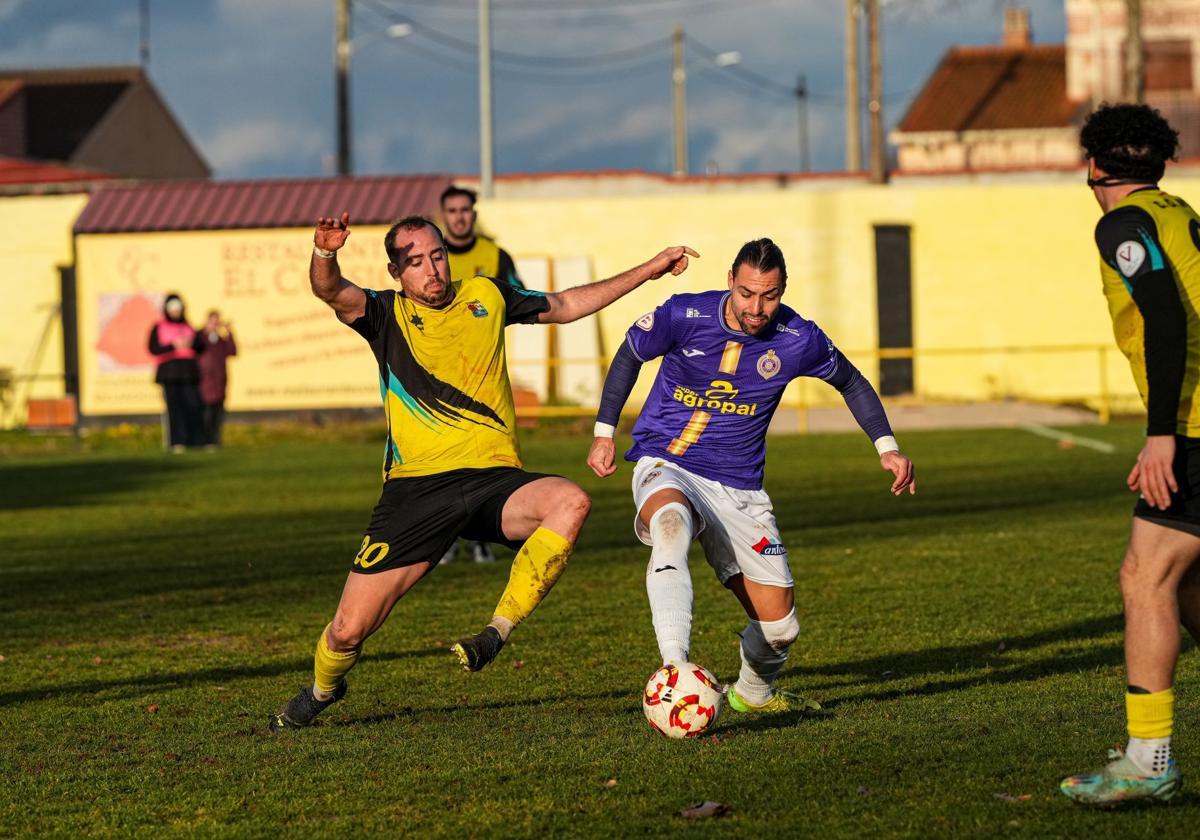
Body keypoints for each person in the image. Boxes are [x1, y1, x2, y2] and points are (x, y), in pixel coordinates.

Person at [268, 211, 698, 730]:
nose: (432, 270)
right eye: (415, 263)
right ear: (394, 272)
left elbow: (563, 306)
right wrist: (325, 252)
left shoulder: (486, 296)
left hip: (494, 480)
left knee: (571, 501)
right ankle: (322, 690)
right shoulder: (383, 314)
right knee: (346, 632)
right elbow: (330, 289)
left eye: (437, 256)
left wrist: (648, 269)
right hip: (416, 491)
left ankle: (497, 631)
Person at [586, 238, 915, 716]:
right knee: (670, 524)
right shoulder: (683, 314)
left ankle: (752, 695)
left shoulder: (799, 338)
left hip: (739, 488)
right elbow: (629, 355)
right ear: (729, 283)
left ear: (782, 290)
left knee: (781, 628)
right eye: (746, 294)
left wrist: (887, 447)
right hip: (668, 460)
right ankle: (675, 668)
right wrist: (603, 432)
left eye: (770, 295)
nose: (757, 307)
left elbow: (851, 381)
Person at [1060, 103, 1200, 807]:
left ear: (1094, 165)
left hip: (1197, 423)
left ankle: (1150, 761)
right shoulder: (1180, 213)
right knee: (1189, 585)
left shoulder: (1122, 223)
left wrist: (1161, 432)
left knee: (1145, 578)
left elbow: (1167, 318)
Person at [440, 184, 524, 563]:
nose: (459, 216)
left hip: (483, 374)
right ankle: (442, 539)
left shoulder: (494, 255)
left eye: (465, 209)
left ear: (474, 213)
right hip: (437, 372)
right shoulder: (431, 254)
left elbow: (519, 297)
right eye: (452, 210)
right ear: (443, 214)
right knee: (441, 458)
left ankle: (479, 538)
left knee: (484, 458)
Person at [147, 293, 205, 452]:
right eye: (173, 308)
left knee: (193, 406)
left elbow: (201, 347)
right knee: (175, 409)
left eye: (178, 308)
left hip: (189, 373)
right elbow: (153, 349)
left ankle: (195, 440)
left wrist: (192, 343)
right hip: (170, 374)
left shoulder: (188, 326)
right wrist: (173, 345)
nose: (176, 311)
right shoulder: (159, 326)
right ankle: (177, 441)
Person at [197, 310, 237, 448]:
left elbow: (232, 351)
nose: (214, 325)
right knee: (206, 413)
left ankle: (215, 440)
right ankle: (205, 440)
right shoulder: (201, 338)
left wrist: (229, 333)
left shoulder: (219, 340)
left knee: (218, 414)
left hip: (220, 381)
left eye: (216, 322)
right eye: (212, 321)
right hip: (205, 381)